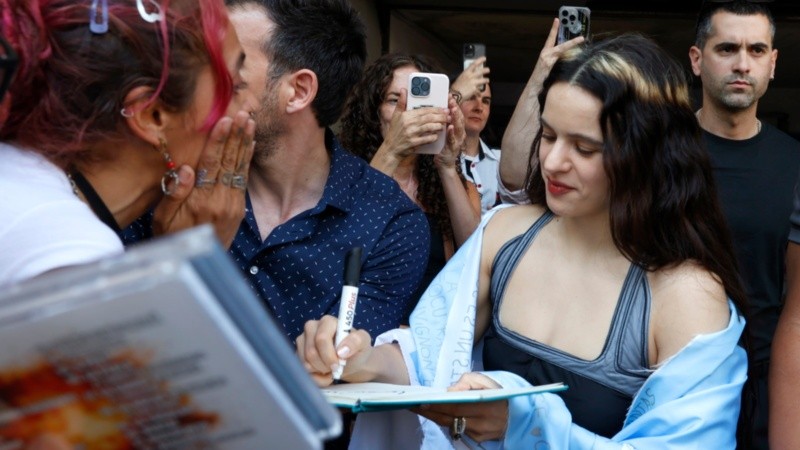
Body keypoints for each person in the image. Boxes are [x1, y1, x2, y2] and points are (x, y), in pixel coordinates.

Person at [298, 33, 749, 449]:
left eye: (585, 148)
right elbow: (425, 365)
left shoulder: (684, 295)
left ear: (647, 153)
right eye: (548, 135)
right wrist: (358, 361)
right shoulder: (506, 233)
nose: (553, 161)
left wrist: (529, 425)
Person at [0, 0, 257, 287]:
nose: (251, 108)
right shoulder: (75, 255)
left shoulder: (21, 169)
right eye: (235, 87)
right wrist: (195, 261)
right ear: (152, 115)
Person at [223, 0, 430, 342]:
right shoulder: (176, 180)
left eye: (232, 67)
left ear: (299, 91)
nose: (205, 81)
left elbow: (336, 369)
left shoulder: (391, 224)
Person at [688, 2, 800, 448]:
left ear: (773, 64)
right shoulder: (660, 152)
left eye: (757, 51)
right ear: (697, 60)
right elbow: (517, 182)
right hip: (673, 383)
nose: (742, 64)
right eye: (727, 48)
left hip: (771, 385)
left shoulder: (795, 163)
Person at [339, 53, 481, 321]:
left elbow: (471, 258)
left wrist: (447, 166)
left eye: (418, 102)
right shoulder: (344, 173)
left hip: (424, 337)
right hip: (359, 325)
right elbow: (338, 244)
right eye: (394, 100)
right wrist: (391, 150)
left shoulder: (451, 184)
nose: (408, 113)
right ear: (373, 111)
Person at [449, 59, 500, 213]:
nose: (479, 107)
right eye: (471, 97)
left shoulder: (501, 162)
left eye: (486, 101)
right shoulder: (434, 161)